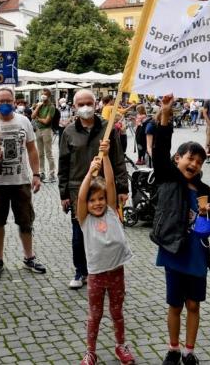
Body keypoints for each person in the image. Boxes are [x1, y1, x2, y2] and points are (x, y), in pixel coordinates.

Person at [151, 94, 210, 365]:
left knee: (193, 305)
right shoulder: (168, 177)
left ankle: (189, 350)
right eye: (190, 159)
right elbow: (159, 150)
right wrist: (166, 114)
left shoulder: (204, 190)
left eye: (199, 162)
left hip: (196, 256)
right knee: (175, 304)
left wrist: (205, 216)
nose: (194, 165)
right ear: (177, 159)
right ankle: (173, 348)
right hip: (174, 251)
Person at [0, 87, 46, 278]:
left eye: (8, 101)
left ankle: (29, 257)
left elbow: (31, 149)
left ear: (15, 102)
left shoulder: (24, 121)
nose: (5, 104)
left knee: (26, 221)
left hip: (20, 181)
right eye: (1, 101)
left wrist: (36, 174)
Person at [59, 89, 129, 290]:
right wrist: (63, 193)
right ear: (74, 107)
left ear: (96, 103)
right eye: (80, 104)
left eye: (88, 103)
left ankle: (105, 269)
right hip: (78, 190)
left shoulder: (108, 129)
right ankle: (81, 271)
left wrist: (122, 188)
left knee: (107, 230)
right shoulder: (69, 132)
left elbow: (118, 159)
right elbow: (63, 165)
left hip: (104, 189)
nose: (85, 107)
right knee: (79, 234)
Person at [76, 141, 135, 365]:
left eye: (100, 198)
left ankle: (121, 345)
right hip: (96, 276)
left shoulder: (111, 211)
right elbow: (81, 198)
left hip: (116, 272)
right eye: (93, 200)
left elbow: (110, 182)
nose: (98, 203)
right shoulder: (85, 220)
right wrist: (90, 174)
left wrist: (107, 157)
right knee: (95, 315)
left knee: (117, 312)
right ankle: (90, 351)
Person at [31, 88, 57, 182]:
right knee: (40, 153)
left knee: (48, 153)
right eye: (42, 94)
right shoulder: (40, 105)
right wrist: (38, 106)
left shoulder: (51, 107)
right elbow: (32, 116)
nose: (43, 96)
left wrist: (38, 118)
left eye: (45, 94)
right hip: (38, 130)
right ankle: (42, 172)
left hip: (46, 130)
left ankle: (52, 174)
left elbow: (46, 121)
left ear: (49, 96)